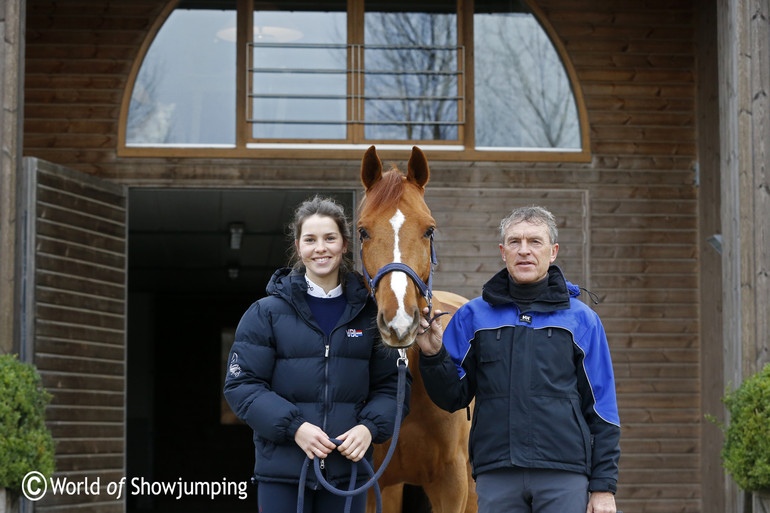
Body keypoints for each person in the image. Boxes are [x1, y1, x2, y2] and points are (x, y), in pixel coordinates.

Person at [416, 205, 620, 513]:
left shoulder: (582, 320)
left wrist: (603, 487)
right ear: (503, 251)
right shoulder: (472, 316)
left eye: (534, 241)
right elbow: (452, 397)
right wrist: (432, 355)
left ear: (553, 251)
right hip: (497, 475)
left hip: (564, 474)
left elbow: (602, 408)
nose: (524, 250)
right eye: (515, 242)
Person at [224, 196, 410, 513]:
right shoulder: (265, 313)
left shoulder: (370, 315)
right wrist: (296, 428)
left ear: (345, 245)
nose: (320, 248)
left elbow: (394, 388)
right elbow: (242, 386)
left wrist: (369, 429)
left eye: (329, 238)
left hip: (347, 472)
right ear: (299, 247)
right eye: (310, 240)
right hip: (282, 474)